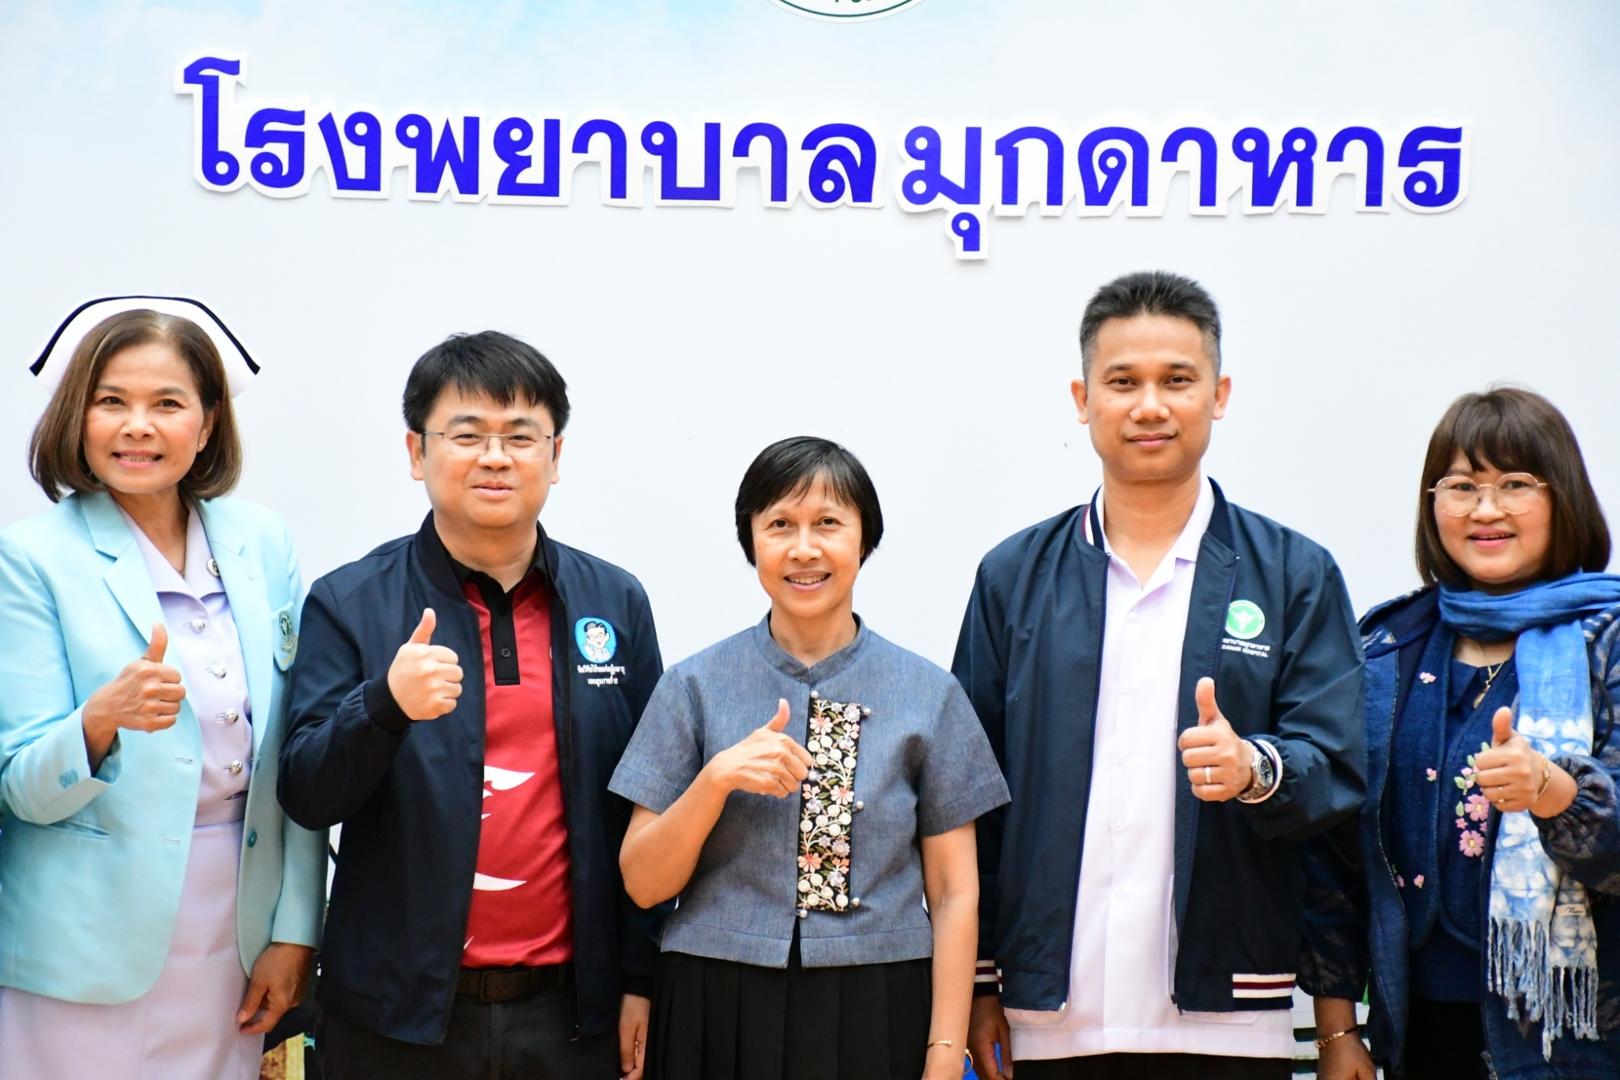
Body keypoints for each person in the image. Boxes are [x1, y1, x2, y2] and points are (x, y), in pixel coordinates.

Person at [954, 271, 1366, 1079]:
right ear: (1083, 399)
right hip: (1049, 1016)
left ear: (1219, 394)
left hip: (1230, 1015)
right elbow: (973, 799)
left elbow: (1337, 778)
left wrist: (1255, 769)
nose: (1150, 406)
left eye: (1177, 380)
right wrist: (980, 982)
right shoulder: (1014, 577)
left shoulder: (1294, 573)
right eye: (1123, 382)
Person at [278, 330, 664, 1080]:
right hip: (395, 1021)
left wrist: (639, 978)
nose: (495, 457)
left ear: (555, 456)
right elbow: (305, 793)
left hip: (572, 1017)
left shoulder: (614, 602)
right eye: (467, 435)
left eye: (520, 436)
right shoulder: (350, 601)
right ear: (417, 453)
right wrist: (383, 706)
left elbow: (648, 805)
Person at [610, 436, 1009, 1080]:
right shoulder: (692, 686)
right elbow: (643, 883)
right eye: (779, 525)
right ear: (751, 542)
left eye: (828, 523)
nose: (803, 548)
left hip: (881, 994)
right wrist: (714, 781)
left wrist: (944, 1049)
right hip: (717, 997)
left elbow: (955, 891)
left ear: (864, 538)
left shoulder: (929, 694)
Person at [0, 298, 326, 1079]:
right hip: (83, 940)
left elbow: (299, 753)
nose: (137, 426)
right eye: (111, 401)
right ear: (77, 417)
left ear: (208, 424)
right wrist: (99, 721)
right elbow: (21, 787)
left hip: (238, 930)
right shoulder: (30, 558)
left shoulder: (261, 540)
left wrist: (295, 930)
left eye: (167, 404)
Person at [1303, 387, 1620, 1080]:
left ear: (1564, 497)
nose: (1486, 509)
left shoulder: (1610, 640)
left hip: (1579, 1038)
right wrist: (1336, 1031)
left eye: (1515, 484)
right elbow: (1335, 854)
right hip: (1417, 1030)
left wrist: (1556, 793)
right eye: (1461, 486)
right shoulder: (1387, 644)